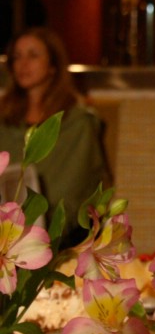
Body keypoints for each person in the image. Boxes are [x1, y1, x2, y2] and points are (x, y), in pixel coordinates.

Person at [0, 27, 110, 244]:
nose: (23, 64)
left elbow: (75, 190)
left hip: (62, 237)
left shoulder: (77, 123)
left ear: (53, 65)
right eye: (17, 57)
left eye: (33, 55)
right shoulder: (5, 120)